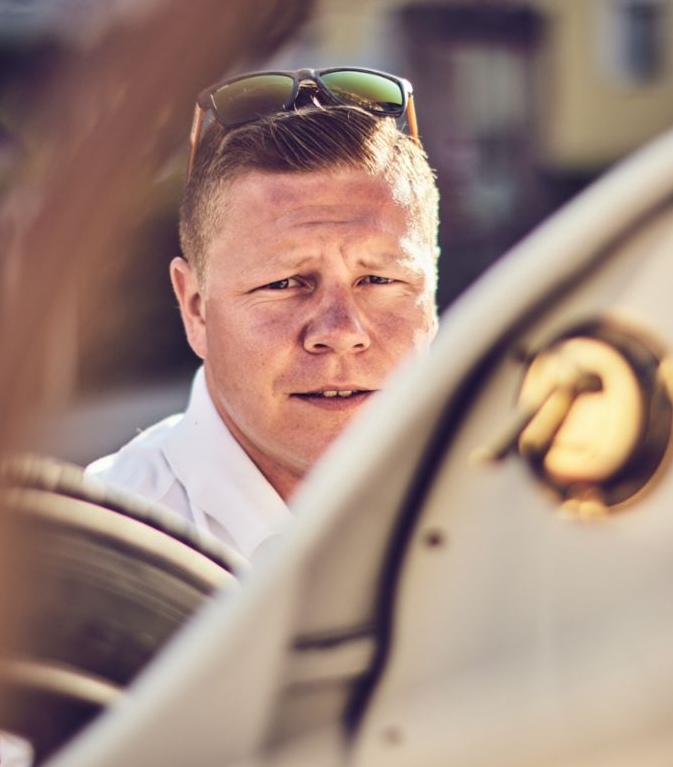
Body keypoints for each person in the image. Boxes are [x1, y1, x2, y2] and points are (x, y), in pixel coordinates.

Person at [86, 68, 439, 558]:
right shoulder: (95, 555)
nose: (340, 333)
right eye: (285, 283)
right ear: (195, 309)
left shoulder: (533, 519)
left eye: (379, 280)